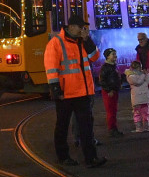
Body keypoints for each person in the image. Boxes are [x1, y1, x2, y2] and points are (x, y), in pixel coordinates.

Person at [46, 15, 105, 168]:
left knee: (86, 127)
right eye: (80, 27)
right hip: (65, 93)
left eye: (83, 27)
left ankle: (91, 158)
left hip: (83, 92)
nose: (82, 30)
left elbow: (95, 57)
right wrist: (55, 88)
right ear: (71, 27)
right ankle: (63, 156)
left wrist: (88, 40)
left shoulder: (82, 42)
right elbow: (51, 67)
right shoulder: (56, 43)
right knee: (62, 126)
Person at [98, 49, 124, 138]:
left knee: (113, 110)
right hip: (109, 93)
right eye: (113, 54)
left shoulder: (113, 66)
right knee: (111, 111)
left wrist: (119, 84)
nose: (115, 56)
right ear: (107, 56)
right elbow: (102, 81)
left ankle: (114, 128)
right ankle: (112, 129)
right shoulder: (105, 67)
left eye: (115, 54)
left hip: (114, 91)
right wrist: (108, 90)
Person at [125, 58, 149, 133]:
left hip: (144, 97)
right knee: (137, 113)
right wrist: (144, 74)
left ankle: (146, 127)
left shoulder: (141, 75)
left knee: (146, 113)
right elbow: (138, 81)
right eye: (139, 67)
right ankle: (139, 128)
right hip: (137, 98)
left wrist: (147, 74)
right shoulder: (131, 76)